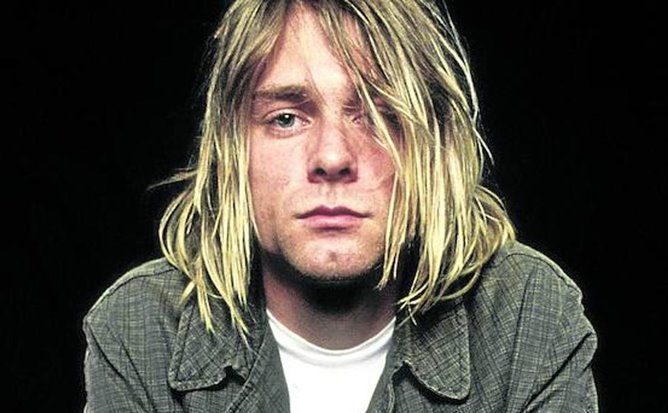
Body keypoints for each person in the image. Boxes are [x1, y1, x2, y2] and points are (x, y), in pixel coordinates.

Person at [83, 0, 598, 411]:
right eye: (286, 118)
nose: (332, 157)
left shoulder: (527, 314)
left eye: (377, 115)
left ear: (434, 146)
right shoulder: (141, 326)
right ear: (230, 150)